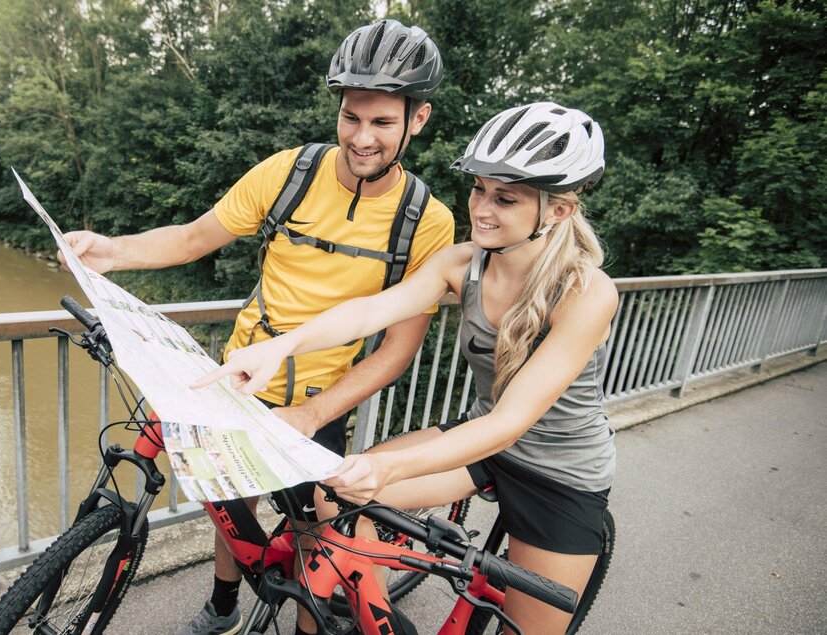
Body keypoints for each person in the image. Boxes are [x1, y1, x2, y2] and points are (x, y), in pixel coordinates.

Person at [59, 19, 456, 635]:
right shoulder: (290, 173)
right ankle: (223, 604)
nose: (362, 137)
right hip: (242, 374)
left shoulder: (425, 221)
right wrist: (109, 250)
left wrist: (314, 413)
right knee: (230, 504)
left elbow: (396, 352)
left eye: (382, 122)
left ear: (418, 120)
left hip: (321, 401)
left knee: (313, 544)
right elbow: (193, 238)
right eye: (352, 117)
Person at [195, 101, 617, 635]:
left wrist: (389, 470)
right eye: (479, 190)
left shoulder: (586, 291)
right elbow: (371, 310)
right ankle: (374, 617)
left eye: (505, 199)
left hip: (557, 472)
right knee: (335, 494)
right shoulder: (463, 262)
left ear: (557, 211)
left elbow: (510, 422)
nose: (482, 210)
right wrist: (281, 347)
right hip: (480, 442)